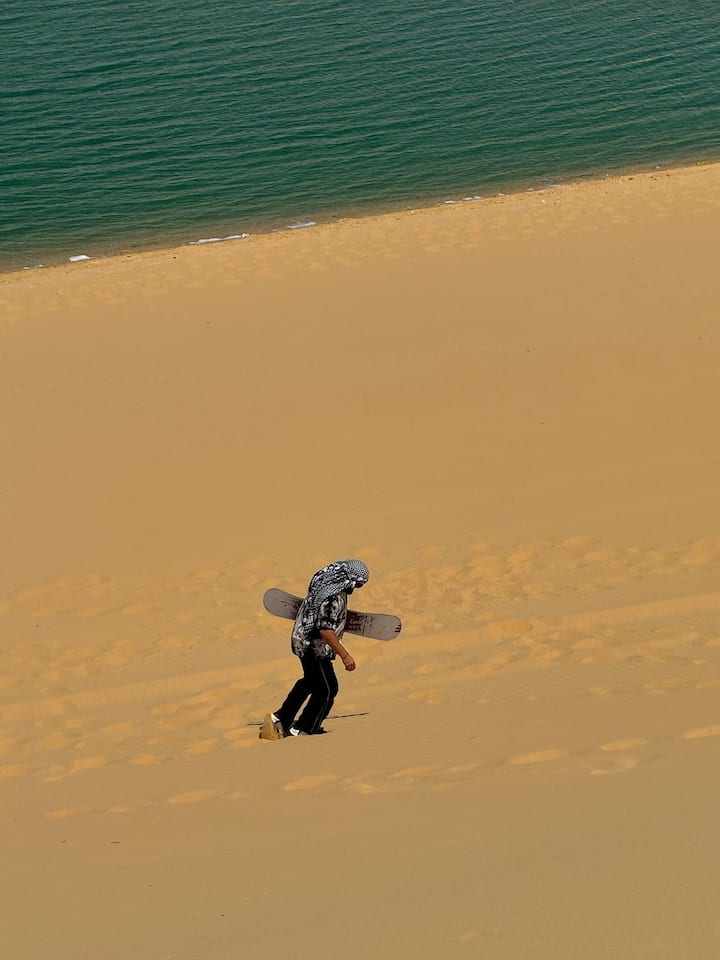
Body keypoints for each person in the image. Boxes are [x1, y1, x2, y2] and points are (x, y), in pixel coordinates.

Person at [260, 559, 369, 739]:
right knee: (325, 690)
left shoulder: (328, 582)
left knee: (311, 682)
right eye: (357, 584)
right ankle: (304, 729)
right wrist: (345, 655)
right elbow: (325, 630)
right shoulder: (332, 597)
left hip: (306, 641)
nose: (356, 588)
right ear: (349, 579)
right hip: (313, 645)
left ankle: (279, 719)